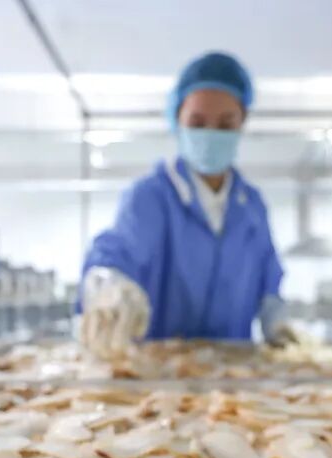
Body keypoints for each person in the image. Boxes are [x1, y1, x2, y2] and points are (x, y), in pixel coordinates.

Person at [78, 51, 294, 359]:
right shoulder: (150, 197)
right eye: (198, 122)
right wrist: (106, 281)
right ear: (177, 120)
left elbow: (268, 278)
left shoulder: (252, 207)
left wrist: (276, 317)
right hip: (158, 375)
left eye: (225, 124)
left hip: (236, 375)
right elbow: (120, 251)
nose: (211, 134)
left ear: (243, 122)